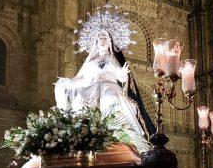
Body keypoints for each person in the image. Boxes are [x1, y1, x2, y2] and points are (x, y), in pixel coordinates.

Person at [54, 17, 148, 152]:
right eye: (100, 38)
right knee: (81, 99)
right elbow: (80, 79)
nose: (102, 41)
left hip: (110, 86)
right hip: (91, 88)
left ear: (110, 42)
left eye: (105, 38)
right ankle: (86, 132)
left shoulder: (113, 60)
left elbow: (120, 77)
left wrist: (122, 74)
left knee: (111, 97)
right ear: (96, 42)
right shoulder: (90, 62)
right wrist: (67, 82)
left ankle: (113, 133)